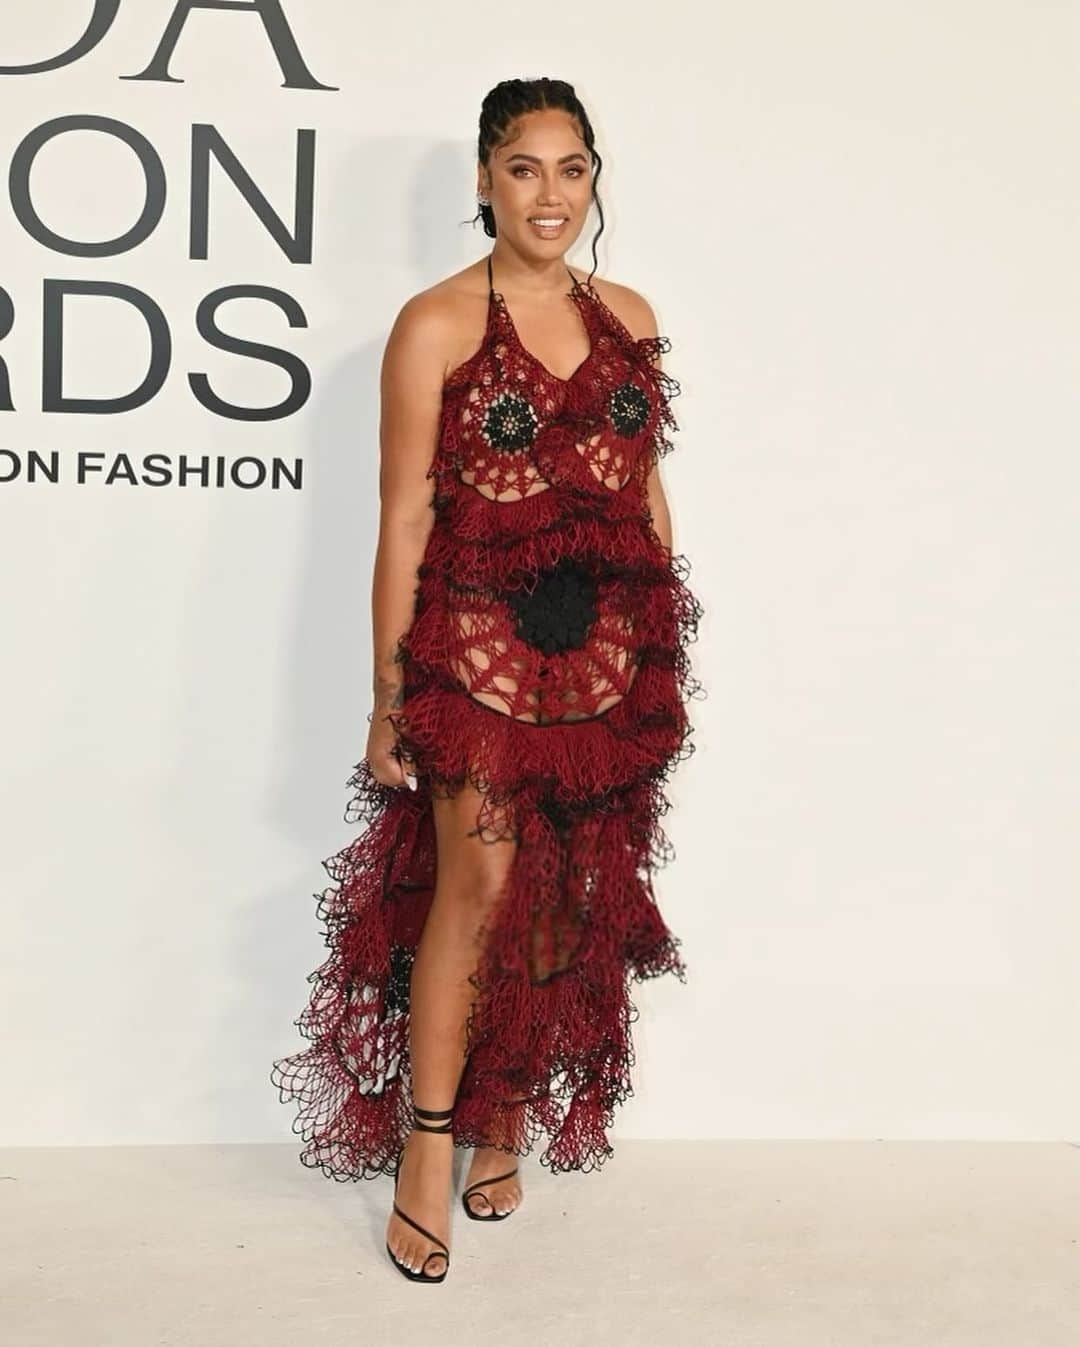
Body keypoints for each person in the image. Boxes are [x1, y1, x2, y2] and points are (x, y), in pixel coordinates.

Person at [271, 76, 704, 1285]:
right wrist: (384, 690)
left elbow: (641, 483)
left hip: (606, 657)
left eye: (573, 169)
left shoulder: (629, 312)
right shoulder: (435, 323)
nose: (551, 194)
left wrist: (662, 633)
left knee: (564, 897)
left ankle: (506, 1108)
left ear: (593, 181)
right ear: (482, 181)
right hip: (476, 650)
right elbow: (405, 512)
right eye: (525, 168)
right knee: (478, 885)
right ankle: (427, 1147)